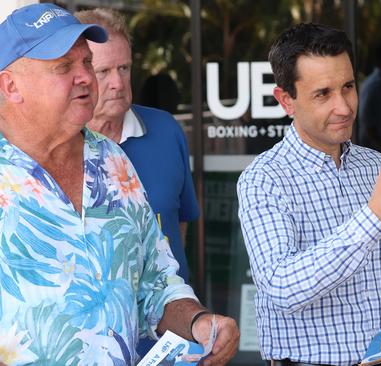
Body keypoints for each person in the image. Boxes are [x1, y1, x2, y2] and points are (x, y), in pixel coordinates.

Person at [0, 4, 238, 365]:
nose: (85, 77)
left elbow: (155, 284)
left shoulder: (111, 161)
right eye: (64, 67)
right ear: (10, 85)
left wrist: (198, 322)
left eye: (85, 62)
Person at [237, 23, 381, 365]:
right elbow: (283, 287)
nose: (344, 106)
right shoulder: (265, 178)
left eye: (348, 87)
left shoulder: (375, 166)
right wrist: (373, 217)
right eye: (323, 94)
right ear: (286, 100)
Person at [75, 8, 199, 284]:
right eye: (104, 71)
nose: (118, 83)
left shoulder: (166, 129)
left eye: (124, 68)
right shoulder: (59, 144)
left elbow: (179, 220)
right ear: (78, 75)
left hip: (172, 314)